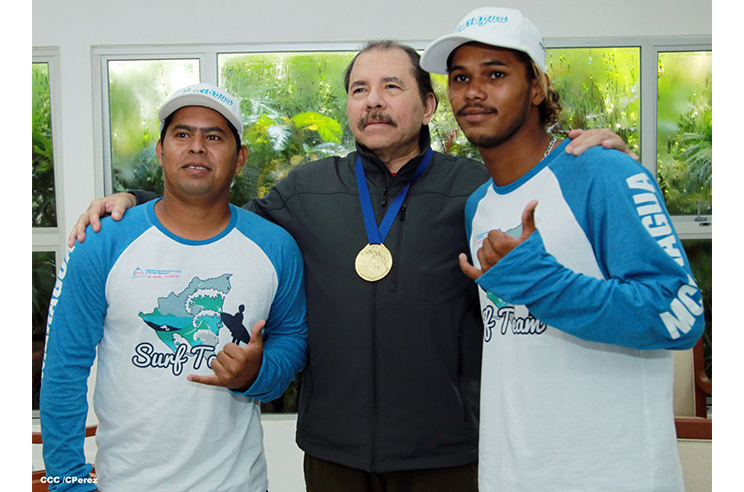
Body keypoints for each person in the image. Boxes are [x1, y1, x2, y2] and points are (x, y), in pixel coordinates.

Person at [67, 42, 631, 492]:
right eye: (359, 90)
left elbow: (547, 201)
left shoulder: (476, 190)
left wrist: (593, 155)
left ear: (429, 106)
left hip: (448, 453)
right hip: (333, 454)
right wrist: (136, 203)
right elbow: (215, 219)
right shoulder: (305, 190)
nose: (373, 102)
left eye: (391, 87)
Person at [420, 7, 705, 491]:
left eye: (496, 74)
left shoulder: (603, 171)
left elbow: (680, 314)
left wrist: (543, 283)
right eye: (460, 77)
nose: (473, 91)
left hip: (612, 478)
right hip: (511, 474)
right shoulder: (478, 206)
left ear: (537, 87)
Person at [40, 83, 308, 492]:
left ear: (240, 158)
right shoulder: (101, 242)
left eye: (214, 137)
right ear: (160, 150)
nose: (197, 147)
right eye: (182, 134)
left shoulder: (275, 248)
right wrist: (66, 483)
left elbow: (292, 340)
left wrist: (257, 374)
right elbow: (63, 368)